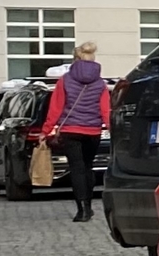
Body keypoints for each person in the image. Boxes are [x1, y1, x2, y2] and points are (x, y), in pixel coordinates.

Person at [40, 40, 115, 222]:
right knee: (88, 167)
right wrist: (112, 129)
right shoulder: (100, 84)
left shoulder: (64, 81)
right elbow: (106, 110)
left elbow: (56, 108)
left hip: (70, 130)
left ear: (75, 60)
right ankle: (89, 206)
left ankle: (81, 209)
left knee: (76, 168)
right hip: (93, 131)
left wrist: (46, 130)